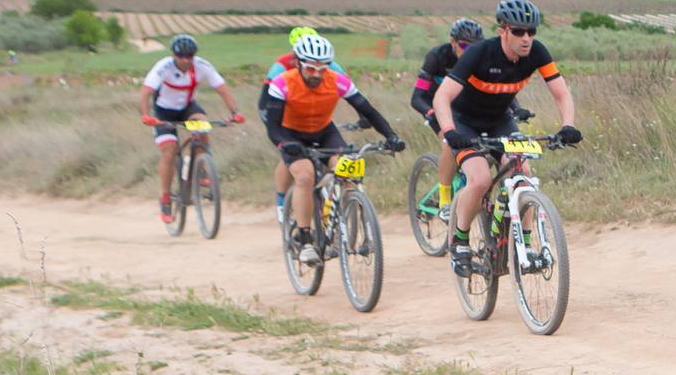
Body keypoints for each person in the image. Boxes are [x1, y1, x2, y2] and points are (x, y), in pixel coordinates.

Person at [432, 0, 582, 275]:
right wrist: (450, 131)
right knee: (479, 180)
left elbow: (561, 92)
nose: (526, 38)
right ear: (503, 30)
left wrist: (568, 125)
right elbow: (442, 97)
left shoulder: (537, 53)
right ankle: (460, 242)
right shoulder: (479, 53)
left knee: (523, 175)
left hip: (501, 120)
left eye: (532, 32)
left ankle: (522, 246)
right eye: (518, 31)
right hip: (465, 123)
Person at [261, 33, 405, 263]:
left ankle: (348, 224)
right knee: (305, 176)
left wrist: (391, 135)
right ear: (298, 63)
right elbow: (273, 126)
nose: (317, 74)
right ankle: (305, 238)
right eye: (310, 69)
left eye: (322, 68)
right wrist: (284, 144)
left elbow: (368, 111)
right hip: (292, 135)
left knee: (349, 170)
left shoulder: (337, 81)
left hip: (324, 132)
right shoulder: (283, 83)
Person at [138, 35, 245, 224]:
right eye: (182, 56)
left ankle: (202, 168)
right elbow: (146, 91)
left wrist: (235, 113)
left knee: (203, 124)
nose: (186, 60)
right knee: (169, 150)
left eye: (190, 56)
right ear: (174, 55)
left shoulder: (202, 66)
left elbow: (222, 89)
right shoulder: (163, 67)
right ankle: (165, 199)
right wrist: (146, 115)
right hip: (163, 112)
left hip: (188, 108)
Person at [409, 17, 484, 217]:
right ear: (453, 42)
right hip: (436, 108)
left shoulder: (479, 59)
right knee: (449, 144)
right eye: (463, 46)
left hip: (464, 111)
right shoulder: (437, 57)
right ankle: (444, 201)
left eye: (474, 47)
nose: (468, 51)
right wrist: (429, 111)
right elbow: (417, 97)